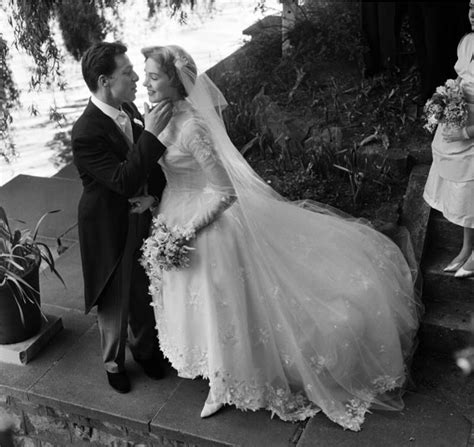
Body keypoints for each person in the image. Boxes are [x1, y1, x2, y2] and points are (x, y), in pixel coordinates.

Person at [138, 44, 421, 431]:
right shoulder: (156, 116)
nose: (145, 81)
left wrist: (186, 232)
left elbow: (225, 192)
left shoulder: (192, 127)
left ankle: (224, 383)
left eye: (153, 76)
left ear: (175, 80)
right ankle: (203, 362)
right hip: (172, 209)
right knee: (192, 298)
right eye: (145, 74)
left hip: (204, 223)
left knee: (216, 301)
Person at [72, 41, 172, 394]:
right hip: (107, 223)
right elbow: (122, 179)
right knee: (115, 298)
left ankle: (145, 351)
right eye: (127, 73)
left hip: (140, 214)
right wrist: (152, 134)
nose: (136, 78)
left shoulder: (128, 107)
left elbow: (149, 167)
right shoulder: (85, 133)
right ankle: (113, 362)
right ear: (104, 81)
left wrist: (155, 196)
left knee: (143, 286)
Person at [423, 1, 474, 278]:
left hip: (472, 129)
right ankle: (467, 248)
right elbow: (460, 80)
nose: (473, 14)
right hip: (462, 117)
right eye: (470, 7)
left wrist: (465, 132)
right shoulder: (467, 41)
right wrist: (442, 100)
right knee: (468, 196)